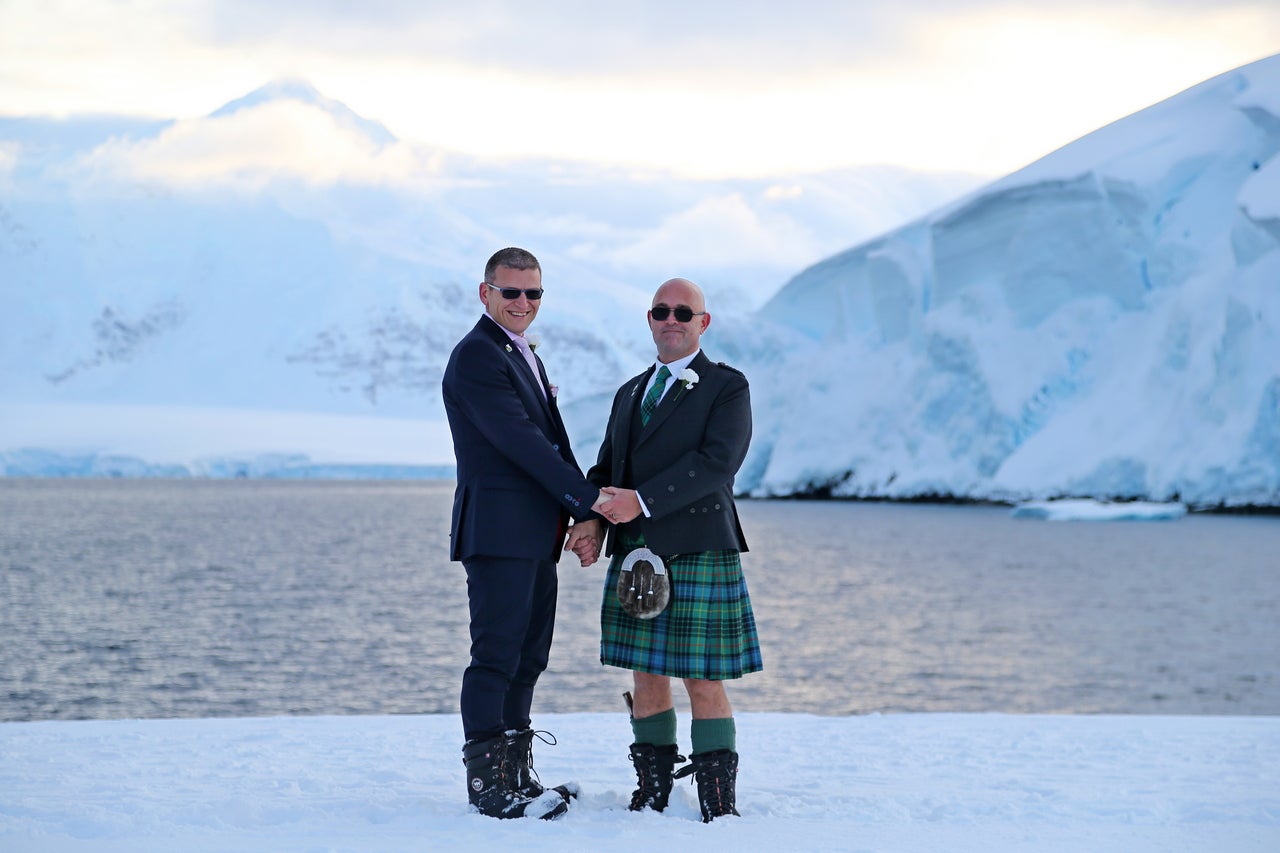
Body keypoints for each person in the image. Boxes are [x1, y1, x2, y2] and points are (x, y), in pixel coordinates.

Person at [566, 277, 763, 822]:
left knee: (702, 675)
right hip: (637, 553)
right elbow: (607, 469)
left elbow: (718, 462)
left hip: (698, 545)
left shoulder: (727, 386)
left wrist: (644, 502)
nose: (670, 319)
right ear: (649, 320)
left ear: (703, 323)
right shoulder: (630, 392)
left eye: (683, 311)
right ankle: (651, 791)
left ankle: (717, 803)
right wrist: (591, 519)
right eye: (660, 311)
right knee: (646, 674)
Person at [441, 247, 607, 821]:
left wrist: (582, 515)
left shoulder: (520, 353)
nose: (522, 303)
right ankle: (490, 789)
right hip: (498, 532)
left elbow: (552, 446)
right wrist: (593, 501)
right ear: (484, 293)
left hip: (534, 533)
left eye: (532, 293)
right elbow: (520, 443)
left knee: (528, 657)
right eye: (510, 292)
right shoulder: (477, 357)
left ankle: (516, 777)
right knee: (495, 657)